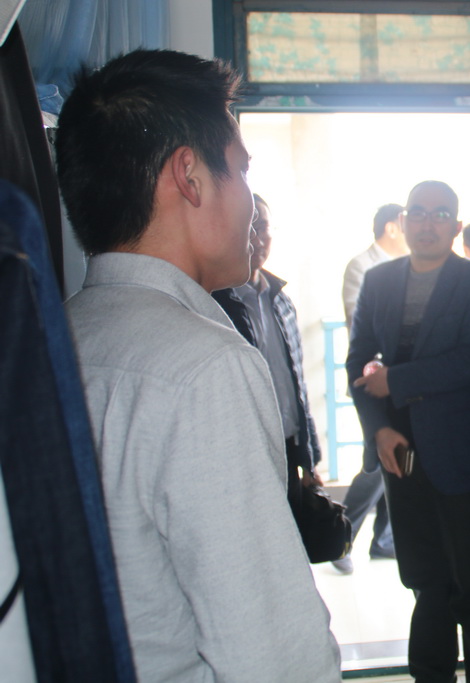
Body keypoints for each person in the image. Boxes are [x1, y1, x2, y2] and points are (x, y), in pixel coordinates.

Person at [57, 49, 340, 681]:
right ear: (189, 176)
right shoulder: (205, 367)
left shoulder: (62, 335)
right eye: (240, 170)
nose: (250, 203)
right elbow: (273, 656)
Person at [347, 180, 470, 682]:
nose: (427, 223)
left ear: (455, 226)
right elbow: (357, 362)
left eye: (440, 215)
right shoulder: (378, 281)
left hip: (461, 454)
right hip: (400, 451)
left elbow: (469, 361)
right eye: (417, 212)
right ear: (403, 222)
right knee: (425, 582)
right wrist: (378, 430)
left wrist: (394, 380)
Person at [212, 194, 324, 506]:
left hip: (288, 445)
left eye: (263, 227)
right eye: (247, 227)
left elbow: (296, 385)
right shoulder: (214, 303)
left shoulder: (281, 301)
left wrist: (309, 458)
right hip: (244, 452)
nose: (257, 239)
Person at [332, 202, 407, 575]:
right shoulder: (362, 266)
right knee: (377, 463)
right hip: (374, 383)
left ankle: (383, 541)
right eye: (407, 221)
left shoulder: (406, 265)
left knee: (397, 458)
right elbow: (357, 326)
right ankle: (340, 538)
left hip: (400, 383)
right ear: (392, 227)